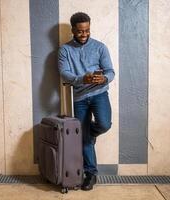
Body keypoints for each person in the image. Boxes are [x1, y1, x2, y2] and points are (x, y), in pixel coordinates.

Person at [58, 12, 115, 191]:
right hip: (80, 97)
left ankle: (88, 132)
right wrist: (84, 78)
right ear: (73, 30)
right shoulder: (65, 50)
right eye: (80, 31)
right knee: (83, 140)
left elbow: (110, 71)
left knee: (104, 125)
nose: (84, 34)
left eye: (87, 30)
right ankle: (91, 174)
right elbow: (64, 73)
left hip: (99, 94)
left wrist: (103, 79)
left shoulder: (100, 47)